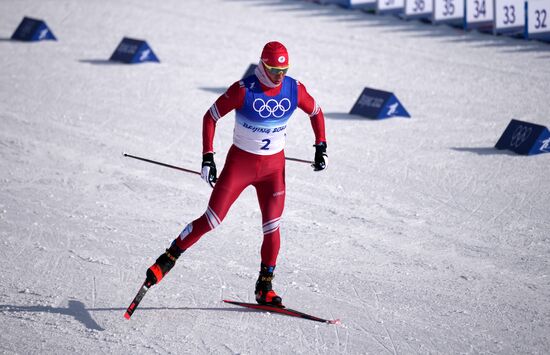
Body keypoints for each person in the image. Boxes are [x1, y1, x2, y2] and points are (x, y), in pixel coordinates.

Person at [145, 41, 328, 307]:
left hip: (273, 171)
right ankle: (168, 257)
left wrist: (320, 145)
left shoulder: (293, 89)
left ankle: (265, 286)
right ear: (262, 66)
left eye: (284, 70)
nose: (280, 76)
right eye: (275, 70)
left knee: (272, 227)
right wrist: (208, 157)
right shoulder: (243, 91)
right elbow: (210, 117)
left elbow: (316, 112)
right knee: (212, 219)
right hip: (240, 166)